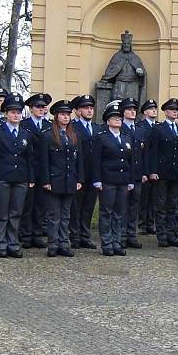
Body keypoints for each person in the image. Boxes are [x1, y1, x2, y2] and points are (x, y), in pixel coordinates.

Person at [0, 93, 37, 258]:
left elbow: (30, 158)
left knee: (16, 212)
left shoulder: (26, 134)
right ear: (6, 113)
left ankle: (13, 243)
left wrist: (31, 178)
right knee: (1, 212)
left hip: (20, 177)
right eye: (12, 112)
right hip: (2, 176)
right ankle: (0, 243)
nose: (16, 115)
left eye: (18, 112)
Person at [38, 100, 84, 257]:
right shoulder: (47, 135)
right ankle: (53, 244)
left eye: (68, 115)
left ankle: (64, 243)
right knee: (54, 215)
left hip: (69, 180)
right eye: (63, 114)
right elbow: (43, 160)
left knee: (66, 215)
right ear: (56, 116)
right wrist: (45, 181)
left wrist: (79, 180)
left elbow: (79, 160)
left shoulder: (73, 135)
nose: (66, 117)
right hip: (54, 181)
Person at [91, 103, 138, 256]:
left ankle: (117, 242)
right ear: (108, 121)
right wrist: (97, 180)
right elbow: (96, 161)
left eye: (119, 118)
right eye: (114, 118)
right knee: (106, 212)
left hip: (123, 181)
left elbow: (131, 161)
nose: (117, 120)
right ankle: (107, 243)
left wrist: (131, 180)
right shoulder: (102, 138)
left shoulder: (126, 138)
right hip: (107, 180)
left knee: (119, 212)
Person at [148, 98, 178, 248]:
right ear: (165, 111)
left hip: (176, 174)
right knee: (161, 205)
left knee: (173, 205)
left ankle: (171, 234)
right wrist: (152, 170)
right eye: (172, 109)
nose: (175, 111)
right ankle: (162, 236)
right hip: (162, 173)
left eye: (176, 109)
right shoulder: (158, 129)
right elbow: (153, 151)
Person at [20, 93, 53, 249]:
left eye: (43, 107)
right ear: (31, 108)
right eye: (38, 107)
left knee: (41, 205)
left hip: (44, 170)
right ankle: (26, 234)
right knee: (28, 204)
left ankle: (37, 233)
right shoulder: (24, 125)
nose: (41, 109)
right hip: (28, 168)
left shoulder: (49, 126)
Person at [69, 95, 100, 249]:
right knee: (76, 207)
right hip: (78, 174)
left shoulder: (97, 128)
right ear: (78, 111)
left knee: (88, 206)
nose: (89, 110)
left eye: (91, 108)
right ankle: (74, 236)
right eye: (86, 108)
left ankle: (85, 235)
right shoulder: (72, 128)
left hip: (93, 174)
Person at [121, 97, 148, 249]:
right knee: (122, 206)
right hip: (124, 174)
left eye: (133, 109)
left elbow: (144, 153)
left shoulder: (139, 130)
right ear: (123, 112)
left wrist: (144, 172)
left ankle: (131, 234)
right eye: (129, 109)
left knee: (134, 206)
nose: (132, 112)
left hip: (137, 174)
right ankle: (122, 234)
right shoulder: (120, 129)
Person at [137, 99, 159, 235]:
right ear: (145, 112)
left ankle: (151, 222)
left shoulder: (159, 126)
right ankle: (142, 223)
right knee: (143, 198)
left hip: (156, 167)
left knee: (154, 198)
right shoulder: (140, 127)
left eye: (155, 108)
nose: (154, 110)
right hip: (145, 166)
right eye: (151, 108)